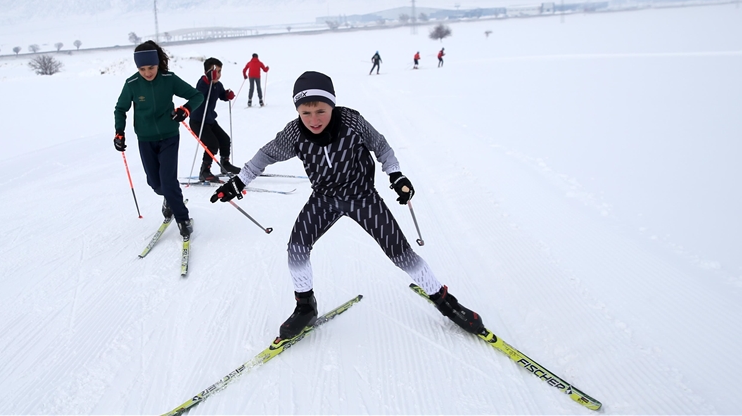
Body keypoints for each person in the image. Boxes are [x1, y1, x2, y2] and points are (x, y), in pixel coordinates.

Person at [210, 71, 485, 340]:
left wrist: (396, 174)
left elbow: (381, 147)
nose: (313, 120)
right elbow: (266, 154)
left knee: (400, 253)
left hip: (361, 197)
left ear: (331, 104)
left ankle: (446, 303)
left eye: (320, 111)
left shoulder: (351, 122)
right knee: (296, 247)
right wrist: (239, 181)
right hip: (324, 199)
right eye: (305, 113)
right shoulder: (295, 133)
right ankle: (305, 307)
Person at [113, 40, 203, 237]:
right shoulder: (132, 84)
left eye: (151, 67)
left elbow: (197, 96)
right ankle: (169, 198)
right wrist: (119, 132)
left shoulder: (169, 79)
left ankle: (183, 219)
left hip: (169, 136)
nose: (147, 72)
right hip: (145, 139)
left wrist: (185, 110)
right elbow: (120, 109)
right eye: (142, 68)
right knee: (156, 184)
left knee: (168, 181)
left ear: (157, 63)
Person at [190, 57, 241, 182]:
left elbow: (222, 95)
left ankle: (225, 165)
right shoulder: (202, 83)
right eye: (214, 71)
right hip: (198, 121)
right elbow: (200, 94)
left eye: (219, 71)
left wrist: (227, 95)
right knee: (212, 144)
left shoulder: (217, 85)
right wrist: (208, 81)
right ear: (207, 72)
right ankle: (204, 171)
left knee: (225, 139)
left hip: (210, 120)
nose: (217, 74)